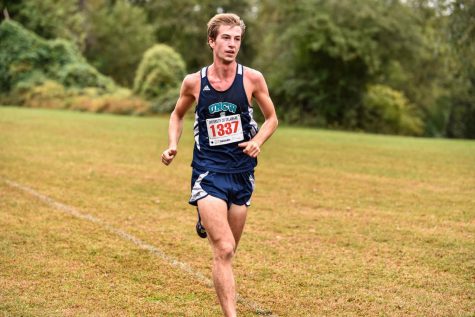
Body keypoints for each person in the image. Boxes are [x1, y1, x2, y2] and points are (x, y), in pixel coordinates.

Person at [161, 13, 278, 317]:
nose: (232, 44)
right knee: (223, 248)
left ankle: (205, 221)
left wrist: (257, 142)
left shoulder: (252, 78)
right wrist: (173, 144)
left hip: (241, 174)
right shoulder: (194, 82)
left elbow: (272, 118)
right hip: (208, 172)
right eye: (226, 38)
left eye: (237, 38)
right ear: (212, 41)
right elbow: (177, 115)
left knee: (228, 251)